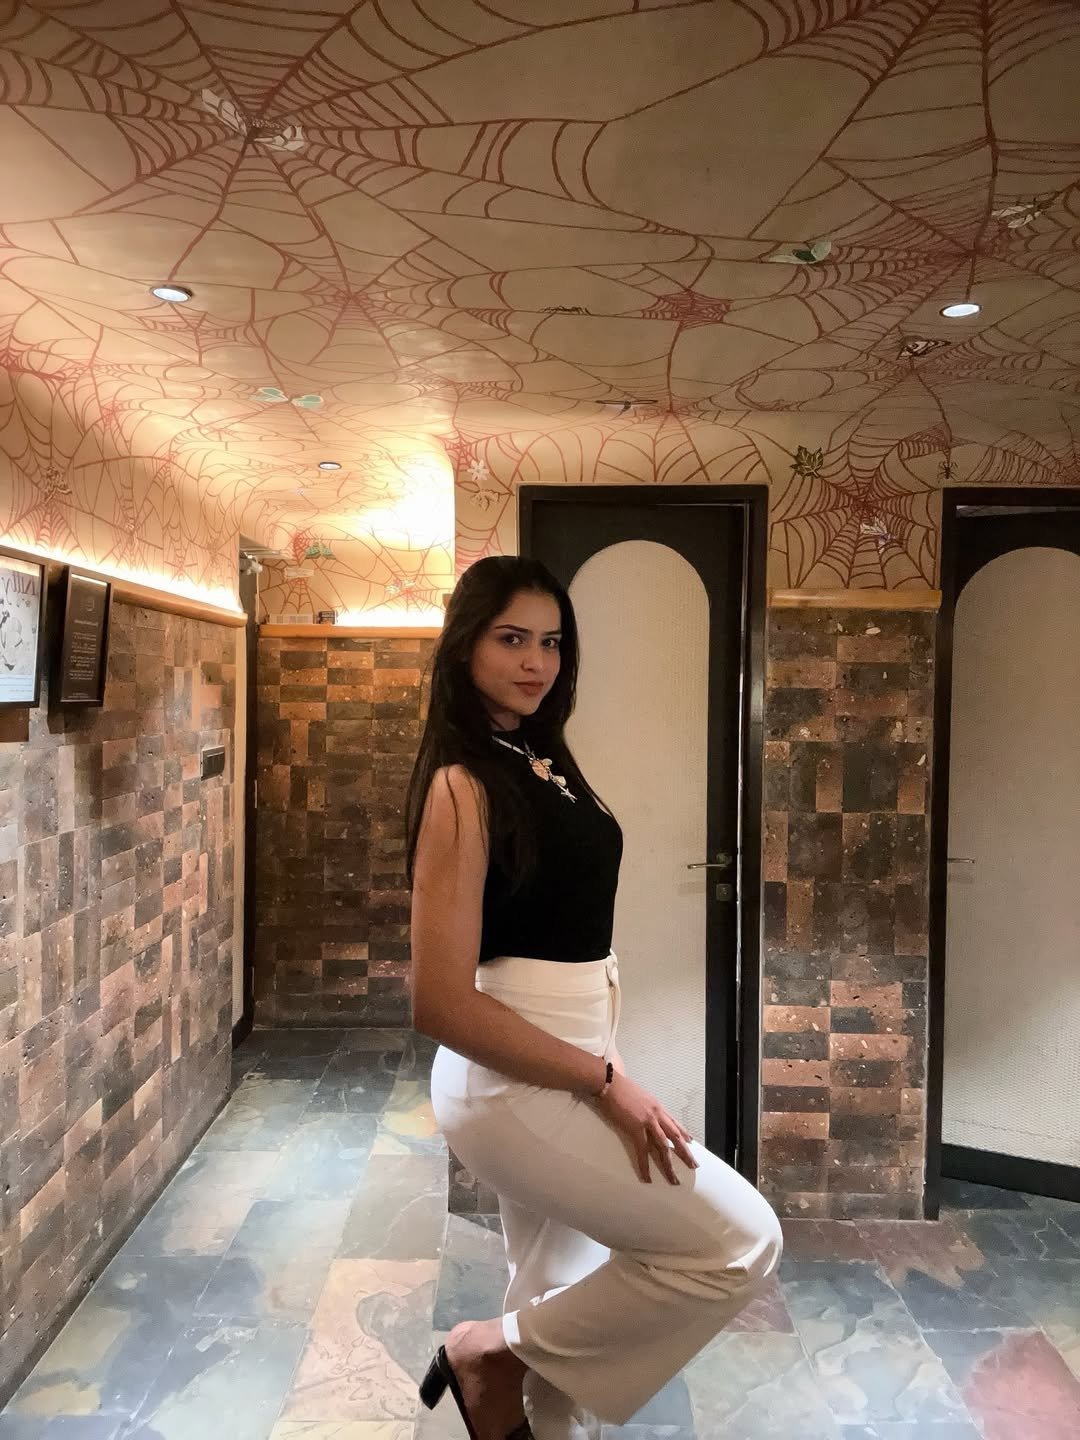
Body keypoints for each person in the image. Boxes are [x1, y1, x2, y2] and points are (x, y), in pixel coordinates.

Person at [406, 556, 783, 1440]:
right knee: (739, 1242)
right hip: (514, 1078)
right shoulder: (462, 783)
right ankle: (484, 1353)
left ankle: (528, 1416)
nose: (536, 662)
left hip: (569, 1050)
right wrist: (605, 1081)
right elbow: (439, 1002)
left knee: (558, 1283)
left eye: (551, 643)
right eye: (511, 639)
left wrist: (599, 1059)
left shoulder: (537, 755)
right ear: (465, 646)